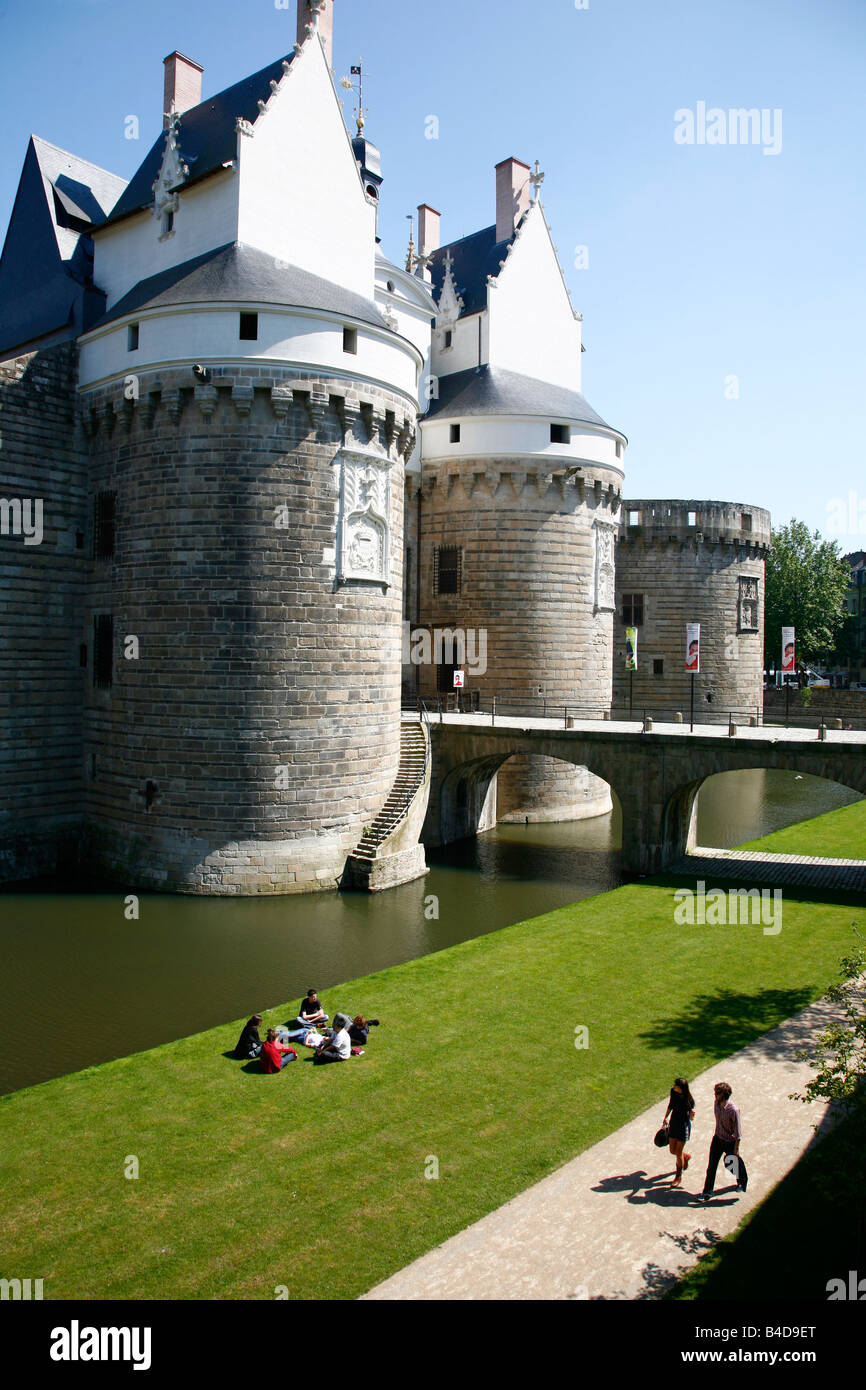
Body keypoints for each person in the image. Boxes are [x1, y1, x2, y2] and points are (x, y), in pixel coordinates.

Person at [700, 1080, 742, 1201]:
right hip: (717, 1139)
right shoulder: (716, 1104)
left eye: (717, 1093)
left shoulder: (733, 1110)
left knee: (733, 1164)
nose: (715, 1095)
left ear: (723, 1095)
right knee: (711, 1167)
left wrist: (736, 1150)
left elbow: (738, 1133)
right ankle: (707, 1192)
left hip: (730, 1142)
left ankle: (740, 1182)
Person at [662, 1077, 695, 1187]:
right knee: (673, 1150)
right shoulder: (673, 1092)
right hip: (674, 1123)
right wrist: (665, 1117)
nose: (673, 1087)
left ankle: (678, 1176)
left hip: (683, 1126)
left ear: (681, 1088)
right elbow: (670, 1105)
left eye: (676, 1086)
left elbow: (690, 1118)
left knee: (678, 1152)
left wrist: (692, 1115)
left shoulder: (689, 1100)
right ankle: (685, 1157)